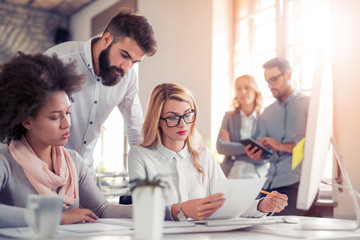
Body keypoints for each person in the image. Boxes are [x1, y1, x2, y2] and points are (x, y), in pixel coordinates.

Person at [0, 53, 132, 228]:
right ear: (26, 120)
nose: (67, 124)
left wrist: (167, 210)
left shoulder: (74, 161)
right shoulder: (5, 162)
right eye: (55, 117)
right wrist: (56, 217)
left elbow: (102, 209)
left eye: (68, 113)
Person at [128, 83, 288, 221]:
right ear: (158, 121)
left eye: (187, 115)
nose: (183, 124)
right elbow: (143, 210)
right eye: (172, 117)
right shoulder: (140, 156)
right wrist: (181, 210)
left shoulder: (203, 156)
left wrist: (262, 205)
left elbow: (227, 203)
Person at [45, 8, 157, 172]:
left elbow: (134, 128)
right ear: (106, 39)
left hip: (85, 173)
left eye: (135, 62)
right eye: (124, 55)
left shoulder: (129, 77)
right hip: (46, 169)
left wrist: (147, 178)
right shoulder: (57, 60)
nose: (126, 67)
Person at [245, 57, 311, 216]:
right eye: (267, 81)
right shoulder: (267, 112)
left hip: (296, 185)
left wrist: (281, 146)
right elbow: (266, 152)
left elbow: (318, 148)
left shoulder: (309, 104)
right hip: (269, 186)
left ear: (288, 75)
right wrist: (258, 154)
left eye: (273, 79)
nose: (270, 86)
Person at [216, 75, 269, 179]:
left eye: (247, 87)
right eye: (238, 88)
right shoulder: (229, 117)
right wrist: (251, 149)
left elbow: (265, 154)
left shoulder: (264, 118)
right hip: (230, 173)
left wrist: (232, 148)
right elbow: (221, 147)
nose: (243, 92)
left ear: (255, 91)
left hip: (256, 175)